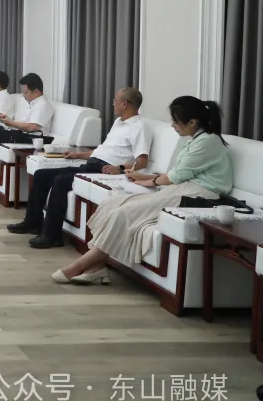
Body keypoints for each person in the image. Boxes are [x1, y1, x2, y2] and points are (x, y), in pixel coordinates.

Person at [54, 96, 233, 286]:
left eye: (175, 121)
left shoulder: (207, 142)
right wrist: (144, 178)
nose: (172, 126)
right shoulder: (195, 140)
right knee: (113, 203)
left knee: (126, 212)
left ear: (192, 122)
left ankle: (81, 265)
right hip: (181, 188)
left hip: (198, 195)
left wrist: (151, 180)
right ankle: (97, 267)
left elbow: (175, 176)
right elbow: (177, 175)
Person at [8, 87, 151, 249]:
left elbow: (142, 161)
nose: (113, 104)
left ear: (124, 103)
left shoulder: (140, 127)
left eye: (115, 101)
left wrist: (119, 168)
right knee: (41, 174)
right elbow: (102, 151)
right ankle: (32, 223)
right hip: (91, 165)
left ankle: (52, 236)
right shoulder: (119, 122)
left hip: (105, 170)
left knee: (60, 181)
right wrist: (78, 155)